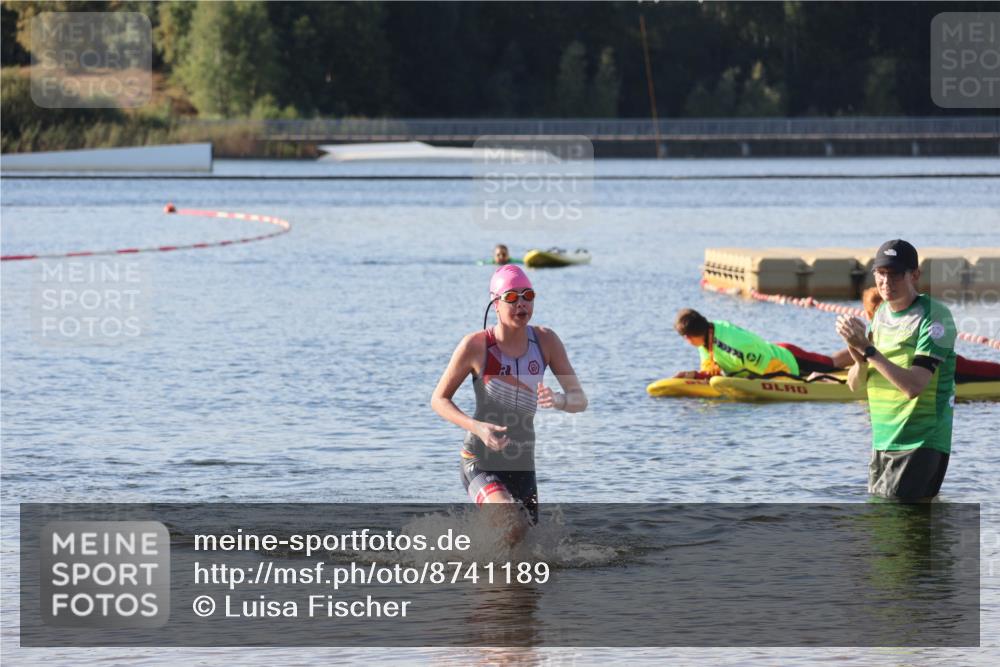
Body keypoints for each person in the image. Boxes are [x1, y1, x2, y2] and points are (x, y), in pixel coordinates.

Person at [431, 265, 587, 543]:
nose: (521, 303)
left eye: (528, 295)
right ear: (495, 304)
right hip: (480, 458)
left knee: (525, 545)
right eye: (512, 297)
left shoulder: (546, 341)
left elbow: (579, 399)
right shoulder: (475, 345)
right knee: (509, 522)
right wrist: (477, 427)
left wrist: (559, 399)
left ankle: (474, 559)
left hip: (522, 462)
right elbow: (439, 400)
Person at [836, 239, 956, 500]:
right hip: (882, 441)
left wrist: (867, 348)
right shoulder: (880, 315)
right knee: (882, 522)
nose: (886, 281)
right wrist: (858, 358)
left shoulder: (935, 316)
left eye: (895, 274)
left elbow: (914, 386)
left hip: (920, 442)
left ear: (915, 275)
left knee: (899, 522)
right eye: (880, 273)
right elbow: (855, 385)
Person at [673, 308, 840, 379]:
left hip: (787, 359)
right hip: (772, 351)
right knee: (829, 363)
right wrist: (691, 375)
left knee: (831, 363)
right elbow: (712, 371)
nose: (686, 341)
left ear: (690, 336)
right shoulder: (706, 337)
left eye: (684, 337)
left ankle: (855, 351)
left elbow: (773, 369)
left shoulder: (734, 347)